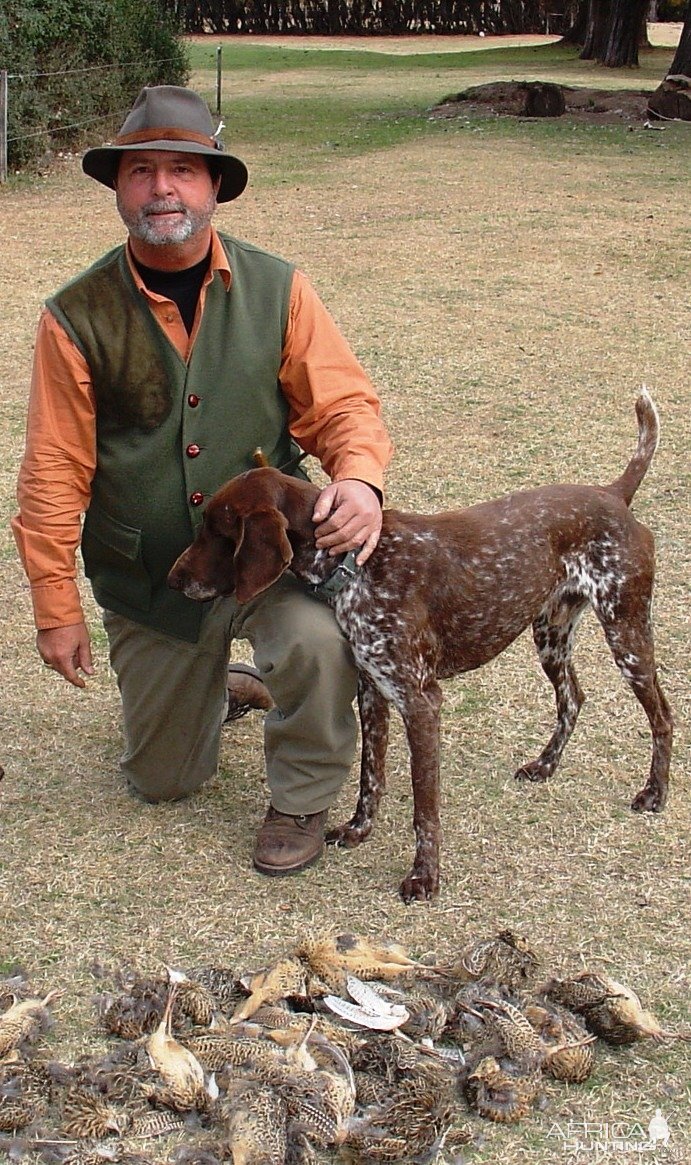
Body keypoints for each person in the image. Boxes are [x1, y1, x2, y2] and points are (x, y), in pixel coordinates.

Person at [12, 85, 392, 877]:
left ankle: (300, 797)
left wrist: (358, 480)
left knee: (320, 644)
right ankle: (225, 684)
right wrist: (56, 607)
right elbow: (53, 470)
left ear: (214, 187)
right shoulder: (74, 316)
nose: (161, 189)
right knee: (162, 782)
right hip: (151, 576)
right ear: (118, 189)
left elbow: (342, 404)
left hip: (265, 554)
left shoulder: (279, 288)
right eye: (141, 171)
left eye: (183, 170)